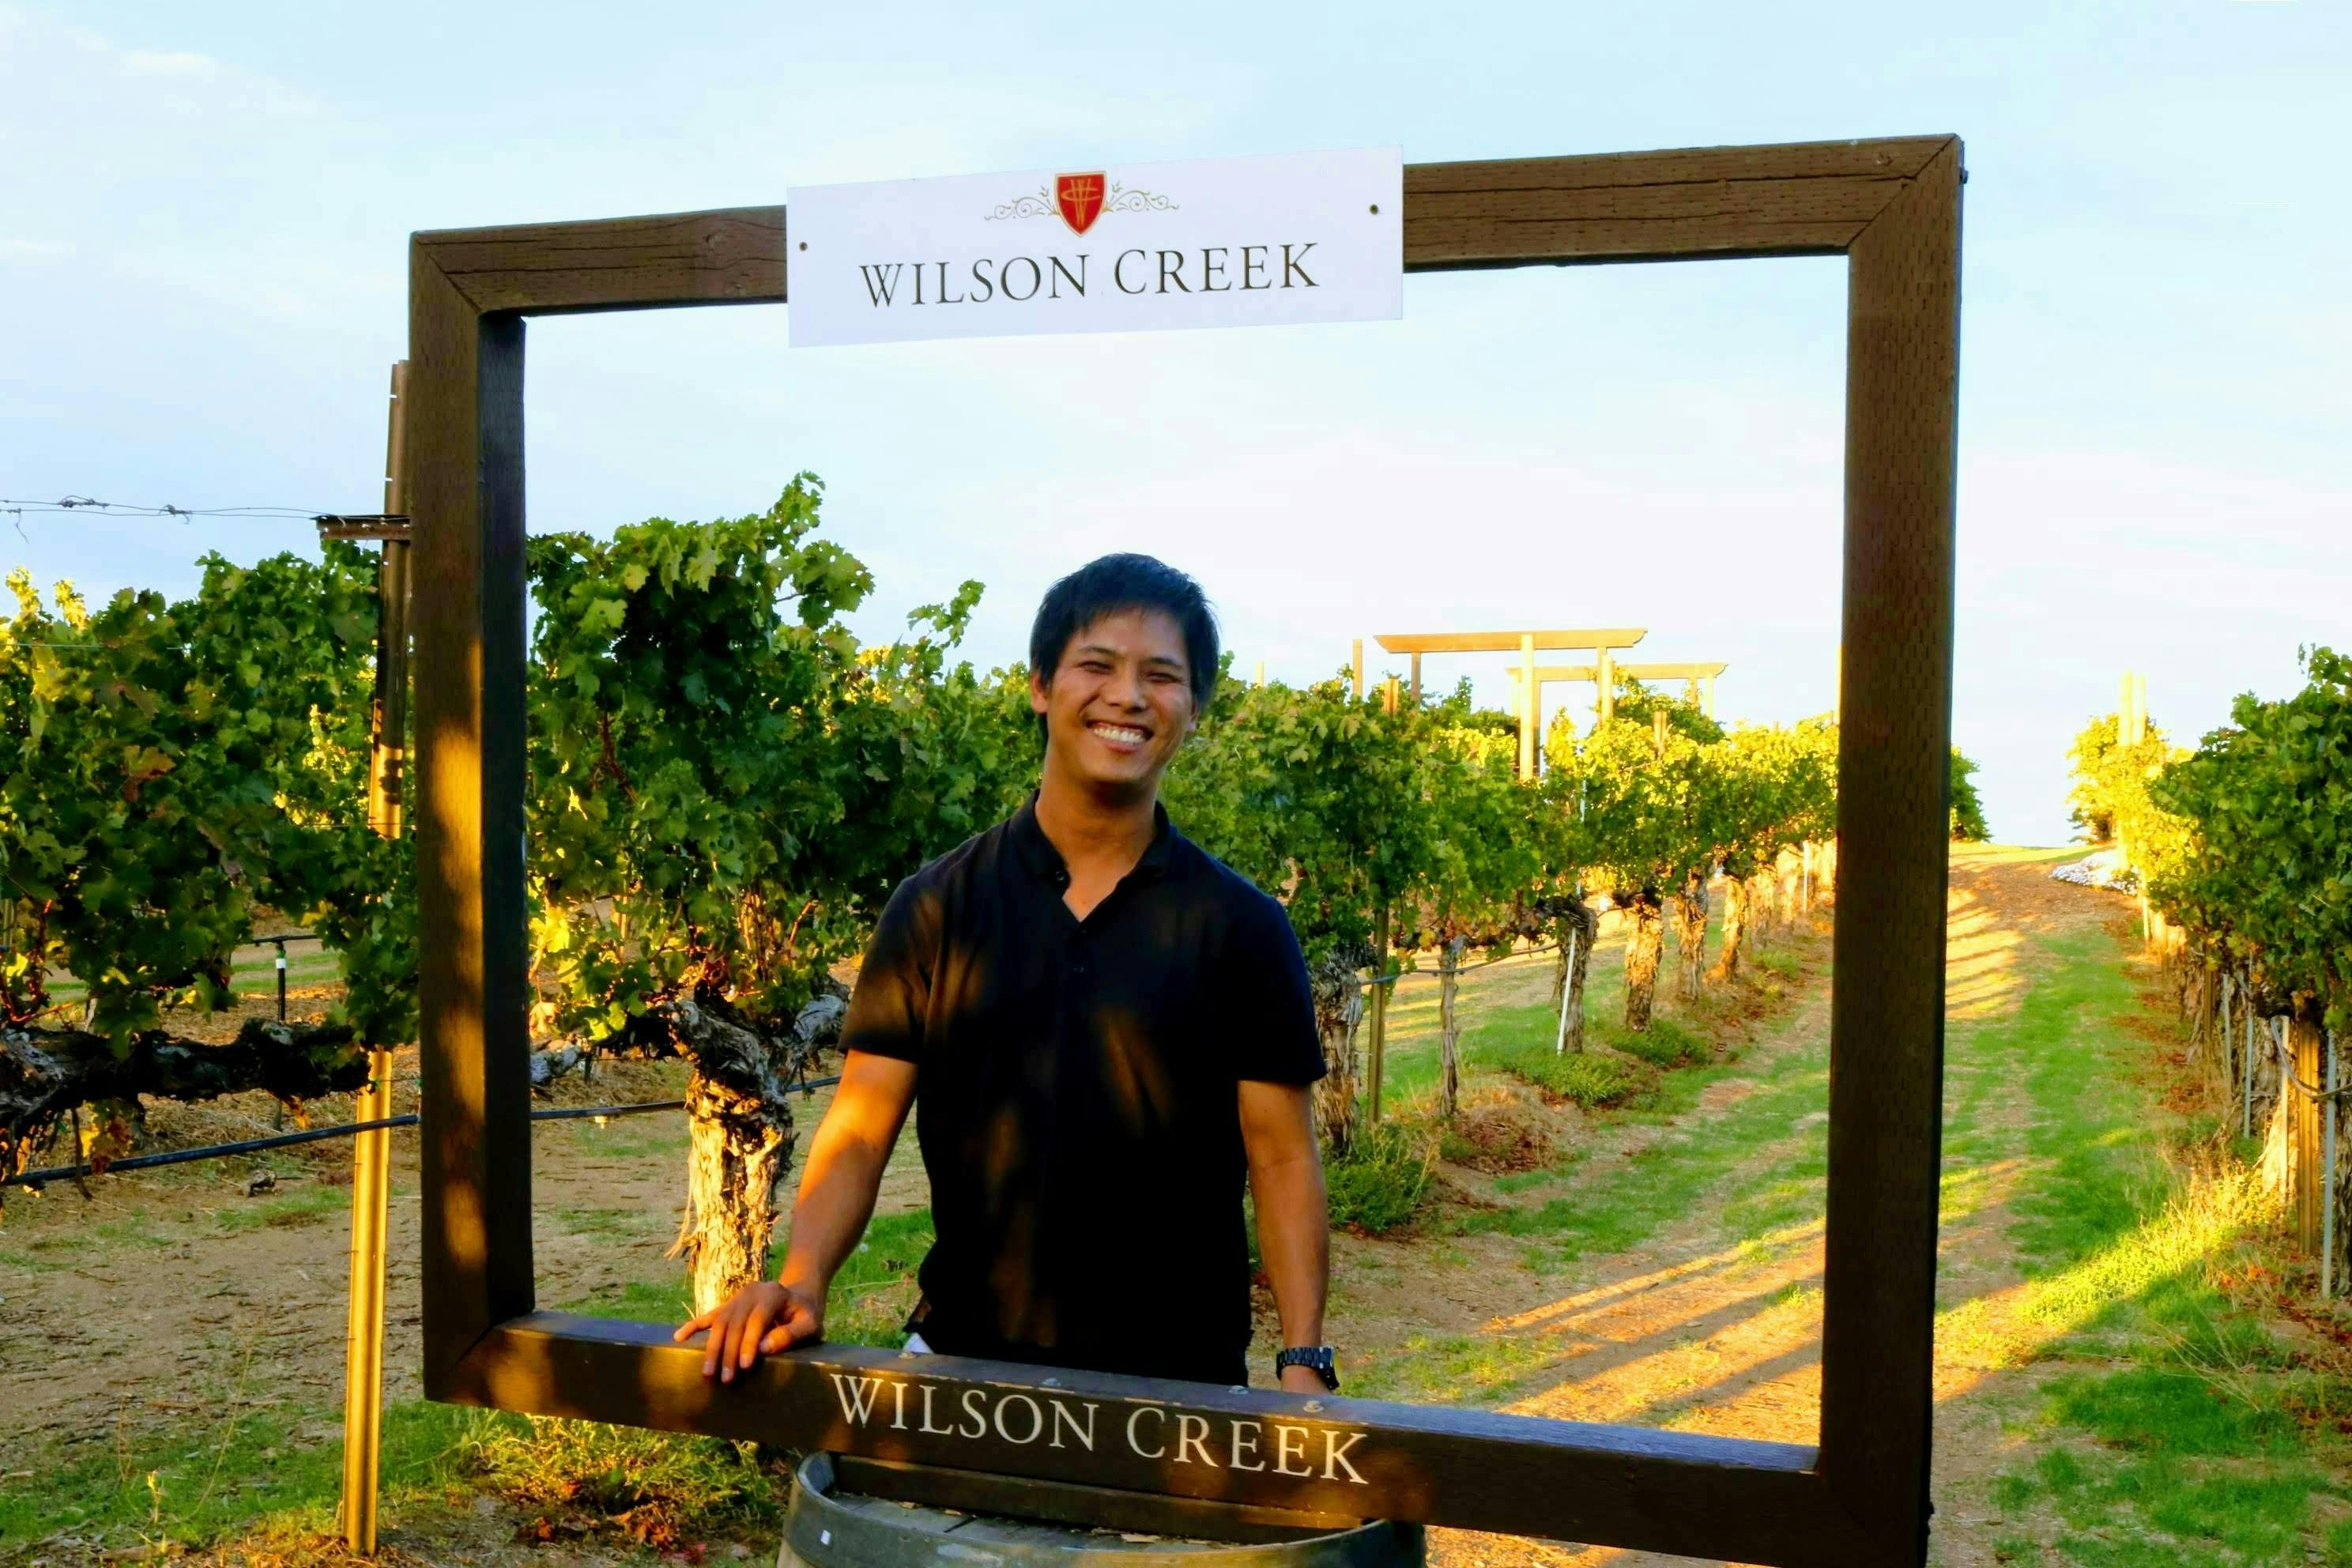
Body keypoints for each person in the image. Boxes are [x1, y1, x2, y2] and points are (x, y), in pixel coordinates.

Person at [676, 553, 1338, 1395]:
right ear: (1040, 686)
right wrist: (802, 1280)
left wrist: (1303, 1357)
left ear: (1194, 709)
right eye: (1097, 665)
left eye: (1161, 676)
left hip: (1182, 1390)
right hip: (964, 1371)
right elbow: (861, 1125)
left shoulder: (1243, 927)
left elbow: (1282, 1158)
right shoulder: (937, 907)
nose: (1128, 697)